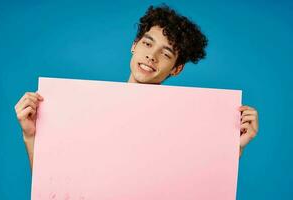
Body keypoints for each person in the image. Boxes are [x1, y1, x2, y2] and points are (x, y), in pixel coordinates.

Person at [14, 5, 259, 170]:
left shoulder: (184, 124)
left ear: (177, 68)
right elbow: (53, 184)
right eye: (147, 43)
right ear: (134, 45)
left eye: (165, 53)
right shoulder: (87, 109)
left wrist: (232, 146)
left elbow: (203, 182)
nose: (151, 56)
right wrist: (31, 135)